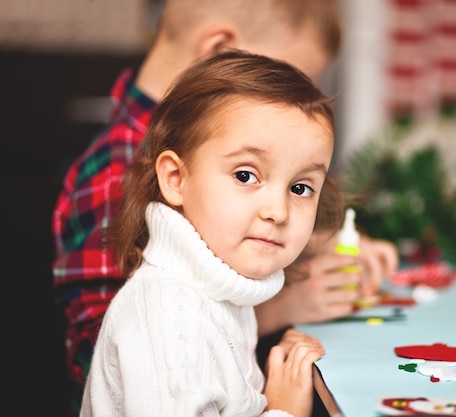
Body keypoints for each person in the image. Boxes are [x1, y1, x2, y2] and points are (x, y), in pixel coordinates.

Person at [52, 1, 399, 414]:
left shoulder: (206, 168)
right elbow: (112, 355)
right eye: (276, 80)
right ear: (220, 52)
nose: (295, 104)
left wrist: (322, 241)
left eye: (302, 187)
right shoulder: (118, 175)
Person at [82, 50, 339, 417]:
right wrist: (284, 412)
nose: (278, 212)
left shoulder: (220, 294)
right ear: (176, 179)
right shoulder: (168, 313)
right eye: (245, 175)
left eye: (300, 188)